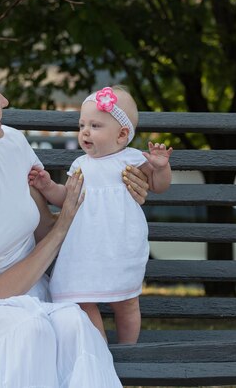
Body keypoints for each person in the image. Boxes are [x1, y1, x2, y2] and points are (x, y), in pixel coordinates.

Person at [0, 60, 150, 387]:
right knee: (30, 330)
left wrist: (118, 198)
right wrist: (63, 226)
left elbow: (44, 228)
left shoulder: (12, 144)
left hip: (34, 292)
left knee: (75, 325)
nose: (4, 101)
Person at [29, 86, 173, 344]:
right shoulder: (80, 164)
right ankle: (99, 350)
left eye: (95, 125)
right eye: (82, 124)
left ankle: (128, 352)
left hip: (120, 246)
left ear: (122, 134)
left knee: (127, 303)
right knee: (81, 299)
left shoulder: (132, 160)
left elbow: (158, 186)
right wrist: (47, 186)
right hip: (84, 247)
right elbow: (67, 198)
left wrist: (160, 168)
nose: (85, 131)